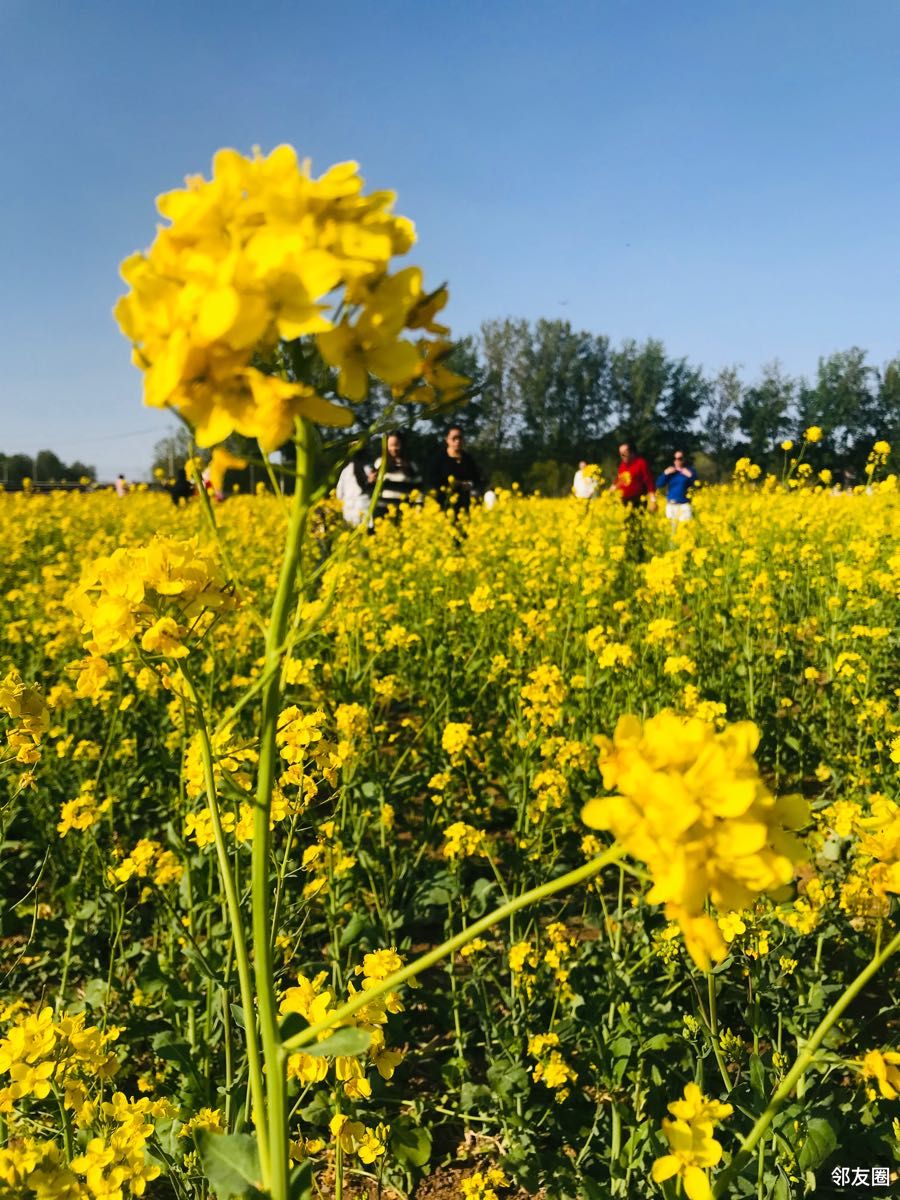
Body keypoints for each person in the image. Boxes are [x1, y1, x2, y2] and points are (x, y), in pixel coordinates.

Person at [429, 425, 484, 515]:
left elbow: (477, 479)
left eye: (460, 438)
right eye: (454, 438)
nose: (457, 441)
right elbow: (433, 480)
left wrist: (470, 484)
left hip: (465, 505)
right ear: (447, 439)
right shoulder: (439, 459)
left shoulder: (468, 459)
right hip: (443, 505)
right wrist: (452, 484)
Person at [370, 431, 419, 523]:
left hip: (404, 512)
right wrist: (371, 481)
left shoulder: (411, 465)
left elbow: (418, 490)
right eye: (391, 445)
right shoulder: (379, 463)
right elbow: (371, 487)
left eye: (396, 445)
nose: (394, 448)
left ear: (402, 445)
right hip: (382, 511)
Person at [656, 450, 697, 528]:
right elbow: (659, 484)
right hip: (671, 505)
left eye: (680, 458)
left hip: (684, 505)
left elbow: (697, 484)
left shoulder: (690, 471)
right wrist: (665, 474)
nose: (677, 460)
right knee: (672, 532)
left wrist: (690, 476)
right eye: (675, 458)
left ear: (684, 459)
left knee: (685, 530)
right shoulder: (670, 472)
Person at [611, 443, 656, 509]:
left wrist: (653, 501)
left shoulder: (641, 463)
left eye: (624, 453)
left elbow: (649, 482)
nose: (622, 455)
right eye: (620, 453)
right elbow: (619, 479)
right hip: (624, 501)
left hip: (638, 500)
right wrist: (609, 492)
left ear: (632, 453)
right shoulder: (622, 465)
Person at [335, 450, 372, 527]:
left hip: (348, 509)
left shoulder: (345, 471)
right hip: (364, 508)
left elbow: (339, 493)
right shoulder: (367, 468)